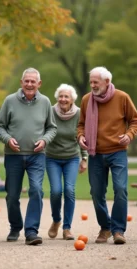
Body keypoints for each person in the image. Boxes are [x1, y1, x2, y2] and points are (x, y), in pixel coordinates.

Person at [77, 66, 137, 245]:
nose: (92, 85)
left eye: (95, 82)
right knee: (97, 193)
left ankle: (118, 230)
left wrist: (128, 135)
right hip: (95, 153)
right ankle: (105, 227)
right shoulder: (86, 100)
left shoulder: (122, 97)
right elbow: (81, 124)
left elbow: (135, 120)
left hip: (117, 151)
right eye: (91, 82)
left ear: (107, 82)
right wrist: (80, 136)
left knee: (120, 189)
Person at [0, 67, 57, 246]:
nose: (29, 84)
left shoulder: (45, 102)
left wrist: (45, 141)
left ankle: (31, 231)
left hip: (37, 156)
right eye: (27, 81)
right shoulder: (9, 101)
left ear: (39, 84)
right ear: (21, 83)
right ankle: (15, 226)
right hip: (13, 156)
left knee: (36, 190)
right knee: (12, 195)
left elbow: (52, 128)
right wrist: (8, 140)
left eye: (33, 81)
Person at [46, 84, 88, 241]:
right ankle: (56, 220)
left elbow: (82, 136)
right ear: (57, 98)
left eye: (66, 97)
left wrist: (84, 158)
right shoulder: (49, 111)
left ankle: (67, 228)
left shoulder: (78, 114)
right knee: (56, 191)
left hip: (71, 157)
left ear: (72, 100)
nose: (63, 99)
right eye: (61, 96)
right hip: (52, 157)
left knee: (69, 190)